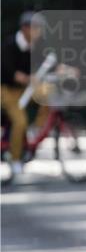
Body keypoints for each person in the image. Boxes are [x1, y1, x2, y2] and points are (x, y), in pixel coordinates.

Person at [1, 11, 51, 174]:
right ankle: (15, 159)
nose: (38, 32)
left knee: (48, 93)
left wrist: (67, 70)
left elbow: (48, 64)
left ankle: (37, 128)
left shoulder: (36, 45)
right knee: (20, 121)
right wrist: (30, 78)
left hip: (25, 89)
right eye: (35, 28)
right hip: (7, 90)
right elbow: (11, 73)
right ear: (24, 28)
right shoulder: (9, 45)